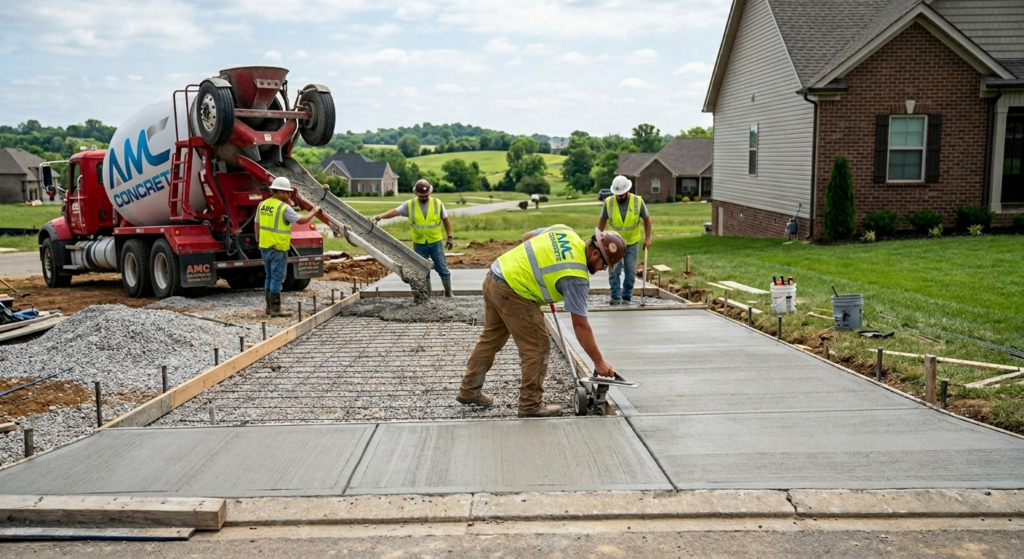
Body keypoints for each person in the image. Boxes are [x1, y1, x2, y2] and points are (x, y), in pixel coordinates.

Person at [457, 225, 626, 417]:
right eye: (604, 264)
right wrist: (599, 362)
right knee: (537, 347)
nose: (604, 269)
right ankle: (530, 405)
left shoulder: (565, 231)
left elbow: (526, 237)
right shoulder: (576, 276)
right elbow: (580, 326)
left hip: (495, 276)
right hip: (514, 291)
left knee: (491, 338)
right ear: (595, 253)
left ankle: (469, 389)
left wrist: (538, 278)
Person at [372, 179, 455, 297]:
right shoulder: (410, 205)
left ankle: (448, 293)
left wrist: (450, 237)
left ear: (430, 193)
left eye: (425, 195)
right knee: (422, 271)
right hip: (419, 243)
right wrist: (380, 217)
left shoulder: (437, 203)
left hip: (435, 241)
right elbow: (395, 212)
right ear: (416, 193)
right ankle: (427, 297)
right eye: (421, 196)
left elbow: (446, 220)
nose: (423, 198)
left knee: (442, 267)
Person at [255, 177, 320, 317]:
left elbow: (257, 224)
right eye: (286, 192)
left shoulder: (262, 204)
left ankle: (269, 307)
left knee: (269, 276)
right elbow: (301, 220)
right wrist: (314, 211)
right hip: (278, 248)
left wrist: (258, 240)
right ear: (278, 192)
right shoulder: (283, 208)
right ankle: (275, 309)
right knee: (277, 278)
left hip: (265, 247)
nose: (288, 195)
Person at [598, 175, 652, 305]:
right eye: (618, 194)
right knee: (613, 271)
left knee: (631, 271)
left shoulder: (638, 202)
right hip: (614, 243)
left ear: (627, 191)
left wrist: (648, 238)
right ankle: (615, 296)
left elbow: (647, 220)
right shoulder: (609, 202)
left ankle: (627, 296)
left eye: (622, 194)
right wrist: (598, 239)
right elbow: (602, 221)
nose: (620, 196)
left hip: (632, 242)